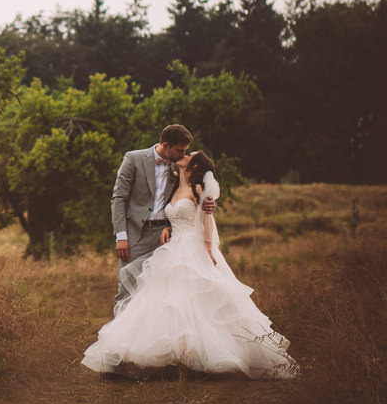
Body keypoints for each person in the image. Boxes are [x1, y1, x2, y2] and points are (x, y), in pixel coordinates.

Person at [82, 151, 298, 379]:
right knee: (168, 302)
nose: (184, 154)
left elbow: (206, 220)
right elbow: (176, 215)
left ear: (195, 165)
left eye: (189, 154)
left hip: (194, 247)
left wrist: (207, 249)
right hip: (174, 246)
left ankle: (199, 360)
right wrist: (168, 227)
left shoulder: (198, 189)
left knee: (195, 302)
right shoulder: (176, 186)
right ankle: (173, 360)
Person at [108, 124, 215, 314]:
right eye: (180, 150)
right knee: (126, 289)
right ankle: (120, 342)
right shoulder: (133, 158)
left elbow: (195, 192)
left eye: (185, 151)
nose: (183, 155)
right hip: (135, 235)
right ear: (166, 145)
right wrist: (121, 236)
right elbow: (119, 198)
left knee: (161, 292)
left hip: (165, 239)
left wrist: (210, 204)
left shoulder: (180, 166)